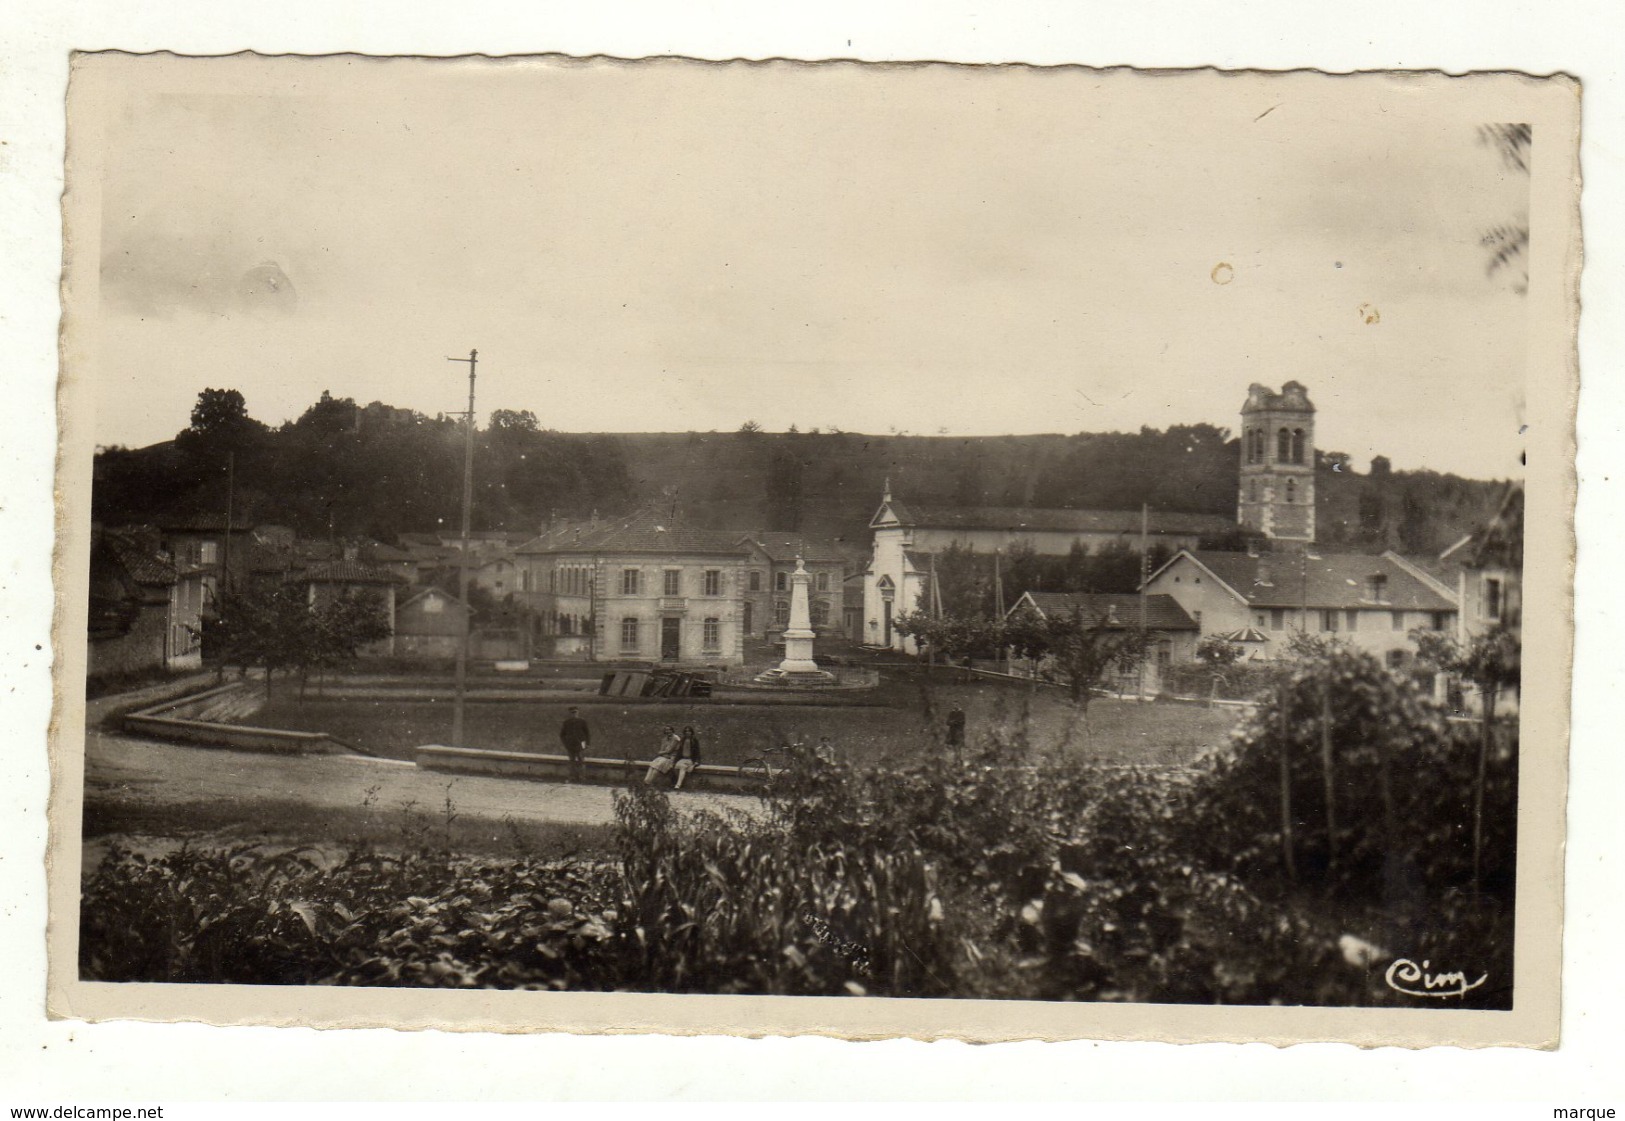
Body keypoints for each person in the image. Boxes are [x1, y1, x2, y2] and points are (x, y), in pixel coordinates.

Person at [559, 706, 590, 783]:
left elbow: (587, 734)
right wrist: (566, 743)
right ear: (569, 713)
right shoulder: (566, 722)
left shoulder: (582, 721)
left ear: (578, 712)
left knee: (581, 760)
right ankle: (571, 777)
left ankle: (582, 777)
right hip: (570, 744)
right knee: (571, 761)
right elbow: (562, 734)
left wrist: (586, 744)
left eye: (575, 712)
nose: (574, 714)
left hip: (580, 744)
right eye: (572, 713)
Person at [673, 725, 703, 789]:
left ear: (691, 732)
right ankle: (680, 783)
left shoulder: (694, 740)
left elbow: (697, 752)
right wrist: (675, 761)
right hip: (682, 759)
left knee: (682, 767)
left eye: (689, 731)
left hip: (690, 760)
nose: (687, 733)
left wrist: (696, 762)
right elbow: (679, 751)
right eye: (686, 731)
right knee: (676, 767)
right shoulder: (682, 740)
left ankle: (678, 785)